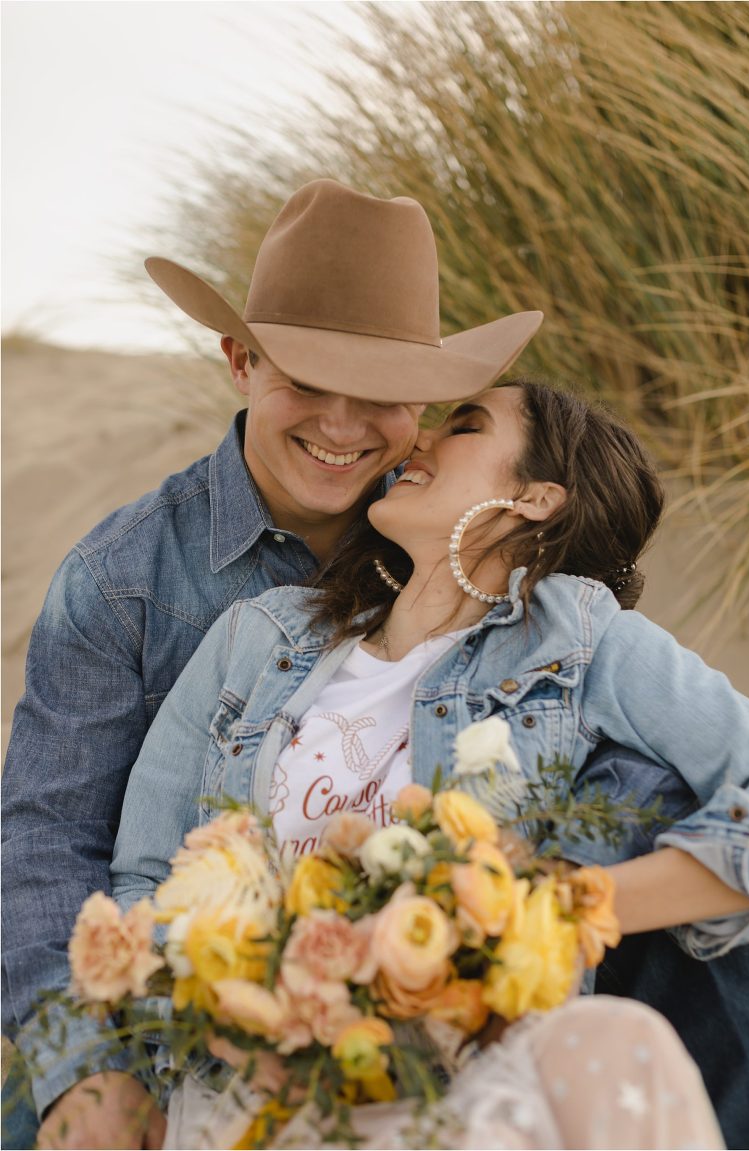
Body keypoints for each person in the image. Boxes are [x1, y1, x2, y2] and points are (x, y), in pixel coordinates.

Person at [1, 178, 543, 1151]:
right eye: (303, 376)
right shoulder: (120, 580)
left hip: (427, 1018)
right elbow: (45, 845)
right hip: (178, 1017)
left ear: (423, 399)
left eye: (379, 390)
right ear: (239, 359)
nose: (342, 423)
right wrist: (87, 1067)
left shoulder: (470, 554)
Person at [105, 377, 749, 1149]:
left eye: (466, 426)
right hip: (252, 1090)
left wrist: (565, 906)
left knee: (620, 1042)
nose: (419, 440)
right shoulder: (259, 636)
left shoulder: (579, 638)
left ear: (537, 497)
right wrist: (225, 1025)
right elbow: (144, 881)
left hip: (466, 1082)